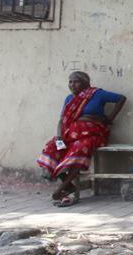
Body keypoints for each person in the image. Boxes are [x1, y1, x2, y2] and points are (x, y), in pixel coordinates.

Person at [36, 71, 126, 206]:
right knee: (52, 148)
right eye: (70, 82)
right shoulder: (69, 99)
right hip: (70, 134)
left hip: (92, 133)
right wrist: (59, 137)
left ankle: (61, 189)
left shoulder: (97, 94)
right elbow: (62, 119)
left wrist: (110, 118)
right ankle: (69, 187)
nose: (72, 85)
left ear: (86, 83)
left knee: (79, 149)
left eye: (76, 82)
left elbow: (121, 99)